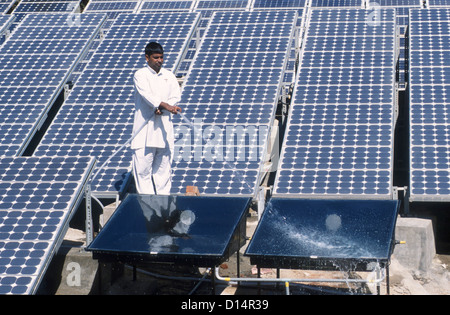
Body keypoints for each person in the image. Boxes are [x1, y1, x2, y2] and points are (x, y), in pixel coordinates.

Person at [131, 42, 182, 195]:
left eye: (161, 57)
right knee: (143, 171)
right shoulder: (140, 75)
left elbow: (175, 95)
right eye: (156, 57)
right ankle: (147, 207)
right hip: (144, 133)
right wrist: (162, 105)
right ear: (147, 58)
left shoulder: (169, 75)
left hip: (164, 131)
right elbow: (147, 94)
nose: (159, 60)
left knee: (163, 171)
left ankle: (163, 206)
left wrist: (167, 106)